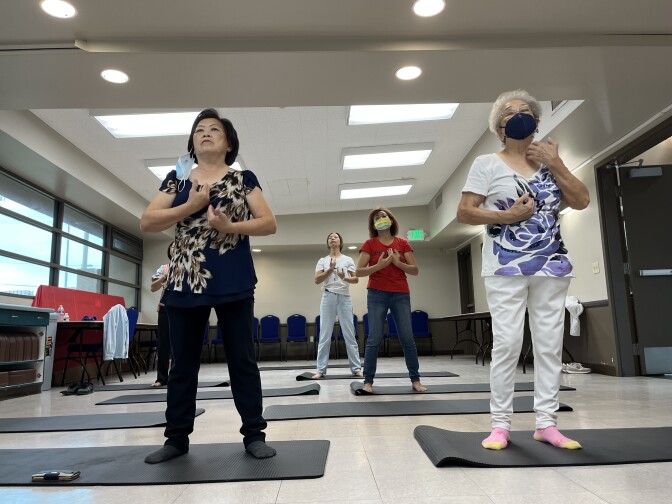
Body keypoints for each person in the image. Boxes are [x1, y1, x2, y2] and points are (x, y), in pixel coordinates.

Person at [140, 108, 277, 463]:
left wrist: (230, 227)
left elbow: (268, 224)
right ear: (192, 142)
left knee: (242, 361)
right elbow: (148, 221)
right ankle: (176, 440)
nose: (205, 133)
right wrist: (191, 205)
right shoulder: (177, 179)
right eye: (199, 129)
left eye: (214, 129)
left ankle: (253, 434)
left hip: (234, 276)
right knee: (182, 365)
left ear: (228, 142)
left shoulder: (244, 178)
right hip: (186, 277)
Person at [456, 89, 590, 451]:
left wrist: (557, 163)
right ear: (500, 128)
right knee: (508, 344)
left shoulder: (552, 163)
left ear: (536, 121)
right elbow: (465, 212)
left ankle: (546, 423)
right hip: (504, 267)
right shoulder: (486, 164)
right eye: (510, 112)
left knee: (549, 346)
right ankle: (500, 424)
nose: (519, 114)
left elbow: (581, 200)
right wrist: (506, 216)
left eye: (526, 110)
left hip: (552, 265)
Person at [355, 207, 427, 394]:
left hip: (400, 294)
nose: (381, 219)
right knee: (374, 338)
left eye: (384, 216)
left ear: (391, 220)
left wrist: (397, 263)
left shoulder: (402, 243)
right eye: (377, 217)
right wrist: (379, 265)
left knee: (406, 338)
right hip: (377, 294)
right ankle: (368, 382)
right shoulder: (369, 244)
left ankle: (415, 380)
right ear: (373, 224)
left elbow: (415, 270)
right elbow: (358, 271)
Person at [312, 232, 362, 379]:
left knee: (349, 334)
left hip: (344, 297)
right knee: (325, 334)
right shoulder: (323, 260)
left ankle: (356, 368)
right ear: (328, 243)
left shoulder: (348, 259)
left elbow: (356, 280)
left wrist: (343, 277)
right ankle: (320, 370)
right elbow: (316, 280)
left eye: (335, 237)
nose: (332, 238)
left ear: (340, 242)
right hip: (328, 296)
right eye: (330, 237)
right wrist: (329, 269)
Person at [149, 246, 172, 387]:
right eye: (173, 248)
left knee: (180, 345)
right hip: (165, 309)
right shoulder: (163, 268)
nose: (175, 249)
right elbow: (153, 287)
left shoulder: (188, 265)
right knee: (163, 344)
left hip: (183, 309)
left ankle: (177, 378)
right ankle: (161, 378)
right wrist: (165, 276)